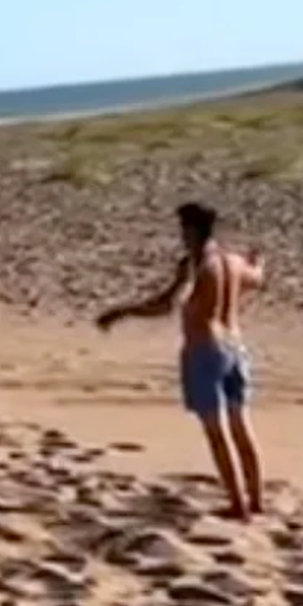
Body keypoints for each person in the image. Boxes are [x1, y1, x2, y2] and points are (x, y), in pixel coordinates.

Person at [96, 201, 267, 520]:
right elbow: (257, 277)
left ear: (191, 230)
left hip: (205, 350)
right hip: (235, 348)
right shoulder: (232, 261)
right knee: (241, 425)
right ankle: (256, 499)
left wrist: (122, 311)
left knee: (217, 432)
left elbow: (168, 304)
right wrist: (258, 261)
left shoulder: (196, 263)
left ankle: (237, 505)